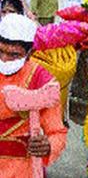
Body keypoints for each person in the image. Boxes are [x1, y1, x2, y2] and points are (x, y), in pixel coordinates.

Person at [0, 14, 67, 177]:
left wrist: (48, 145)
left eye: (14, 54)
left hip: (22, 169)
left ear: (30, 53)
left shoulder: (41, 80)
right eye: (0, 51)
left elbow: (57, 132)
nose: (4, 59)